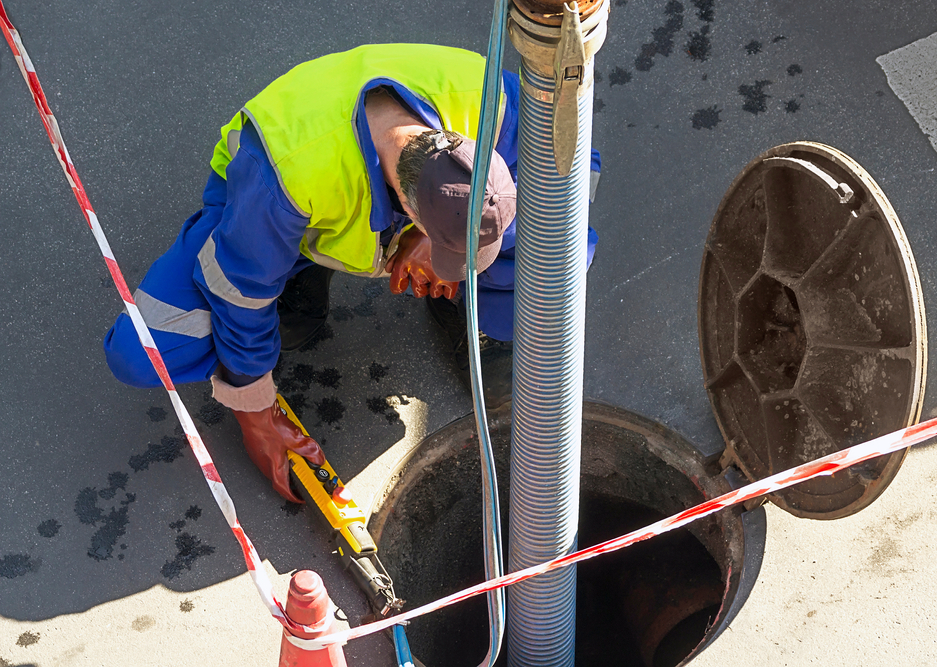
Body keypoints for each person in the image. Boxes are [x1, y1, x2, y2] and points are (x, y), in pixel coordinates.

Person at [103, 44, 599, 503]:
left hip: (378, 217)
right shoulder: (290, 173)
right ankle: (299, 273)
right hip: (270, 216)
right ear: (407, 204)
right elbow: (237, 289)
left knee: (558, 245)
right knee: (141, 352)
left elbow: (579, 165)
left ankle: (480, 320)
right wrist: (254, 408)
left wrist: (430, 241)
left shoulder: (491, 102)